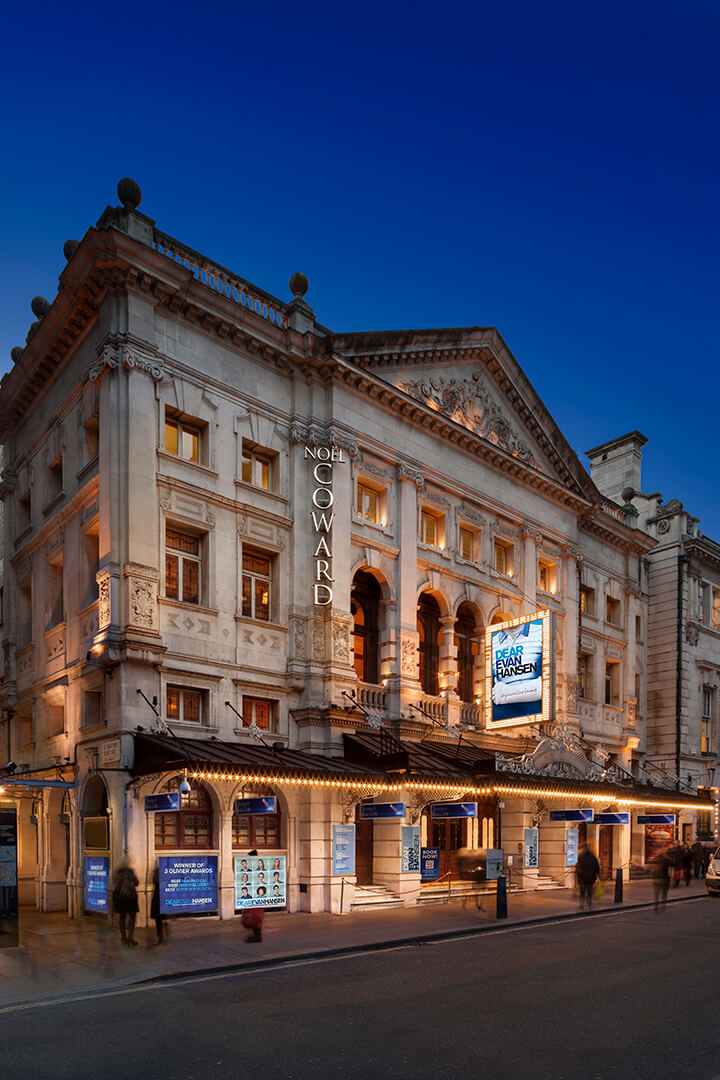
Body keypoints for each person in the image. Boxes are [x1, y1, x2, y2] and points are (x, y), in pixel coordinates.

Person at [112, 862, 139, 946]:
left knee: (122, 918)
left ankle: (124, 938)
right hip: (130, 898)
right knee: (132, 918)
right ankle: (130, 937)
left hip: (121, 898)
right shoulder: (130, 872)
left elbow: (114, 883)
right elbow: (136, 882)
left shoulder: (118, 872)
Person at [576, 842, 600, 911]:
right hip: (590, 878)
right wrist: (598, 876)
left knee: (583, 892)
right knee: (589, 892)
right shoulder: (592, 857)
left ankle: (582, 904)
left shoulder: (581, 856)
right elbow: (597, 867)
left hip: (583, 878)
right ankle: (588, 904)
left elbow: (578, 868)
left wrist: (578, 878)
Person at [651, 844, 671, 913]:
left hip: (656, 879)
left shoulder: (655, 859)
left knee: (657, 895)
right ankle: (663, 908)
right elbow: (673, 864)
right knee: (664, 895)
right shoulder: (666, 859)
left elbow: (649, 868)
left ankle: (656, 907)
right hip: (664, 880)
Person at [149, 864, 165, 945]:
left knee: (159, 922)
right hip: (161, 900)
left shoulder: (157, 875)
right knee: (160, 921)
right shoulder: (163, 876)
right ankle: (161, 938)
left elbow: (152, 881)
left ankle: (160, 938)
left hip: (158, 901)